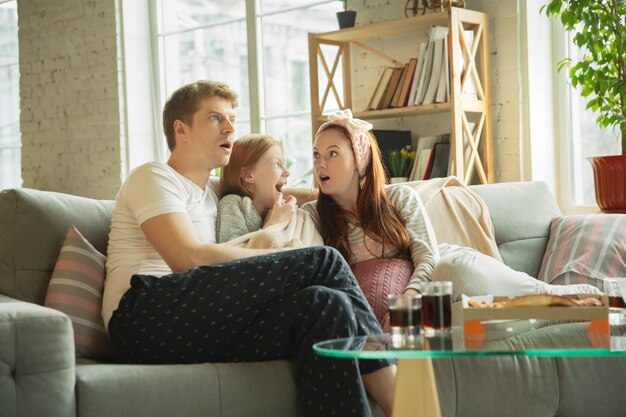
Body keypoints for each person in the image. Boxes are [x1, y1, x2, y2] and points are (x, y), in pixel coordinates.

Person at [102, 82, 396, 417]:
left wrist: (366, 191)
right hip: (142, 317)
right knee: (323, 260)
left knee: (327, 304)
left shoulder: (216, 192)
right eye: (215, 118)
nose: (230, 128)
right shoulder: (153, 176)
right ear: (180, 129)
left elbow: (282, 191)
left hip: (197, 325)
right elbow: (188, 259)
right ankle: (405, 403)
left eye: (231, 118)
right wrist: (285, 261)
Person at [300, 109, 600, 324]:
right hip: (429, 304)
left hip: (447, 269)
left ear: (359, 160)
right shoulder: (311, 215)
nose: (321, 164)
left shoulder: (399, 198)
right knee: (503, 315)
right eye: (315, 155)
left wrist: (410, 295)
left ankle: (608, 298)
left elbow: (427, 257)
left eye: (333, 153)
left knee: (542, 296)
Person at [216, 134, 322, 249]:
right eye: (277, 164)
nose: (287, 172)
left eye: (284, 164)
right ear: (248, 175)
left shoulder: (287, 208)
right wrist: (275, 222)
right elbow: (233, 254)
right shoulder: (233, 203)